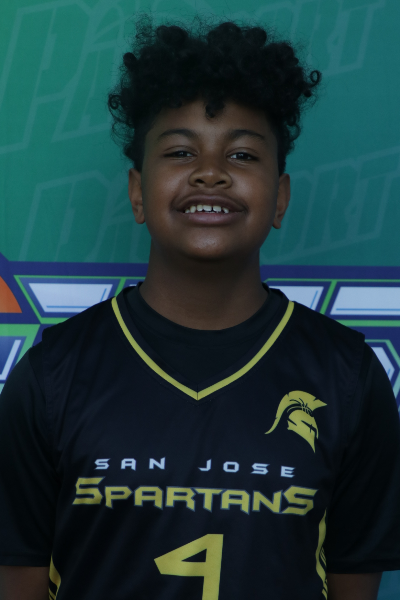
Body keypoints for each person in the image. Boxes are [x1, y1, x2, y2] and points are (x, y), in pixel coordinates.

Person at [0, 17, 399, 600]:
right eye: (181, 151)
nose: (210, 173)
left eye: (242, 154)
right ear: (138, 192)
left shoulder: (346, 377)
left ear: (280, 198)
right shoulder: (53, 375)